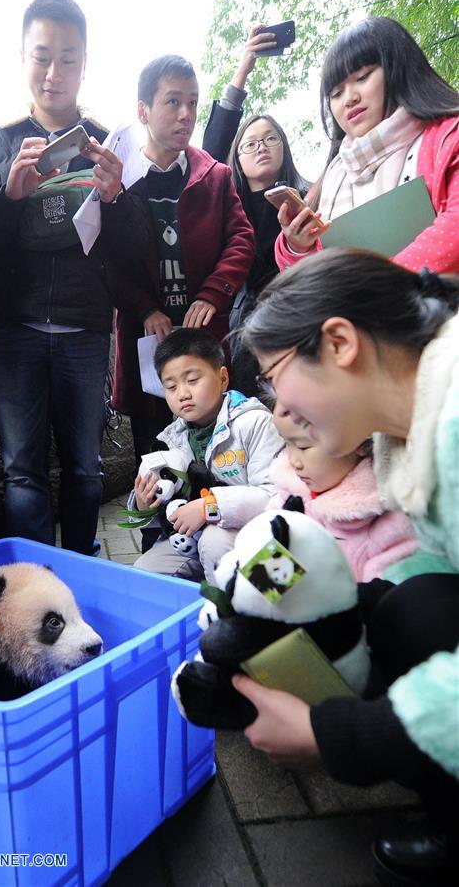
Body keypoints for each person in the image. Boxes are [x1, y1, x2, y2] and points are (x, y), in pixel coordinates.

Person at [237, 247, 459, 886]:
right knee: (411, 609)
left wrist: (337, 736)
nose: (278, 403)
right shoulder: (409, 432)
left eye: (274, 375)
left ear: (339, 343)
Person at [0, 0, 119, 556]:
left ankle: (81, 576)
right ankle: (35, 587)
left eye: (68, 58)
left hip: (86, 328)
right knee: (22, 471)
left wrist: (119, 198)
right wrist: (9, 196)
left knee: (85, 468)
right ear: (23, 57)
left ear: (85, 63)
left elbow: (129, 250)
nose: (54, 72)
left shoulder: (107, 142)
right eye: (42, 56)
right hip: (16, 327)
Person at [97, 54, 255, 467]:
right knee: (154, 457)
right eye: (173, 101)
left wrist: (213, 293)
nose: (186, 114)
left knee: (220, 454)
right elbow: (107, 258)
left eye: (192, 102)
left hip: (205, 336)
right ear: (143, 111)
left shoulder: (215, 176)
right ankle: (156, 513)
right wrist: (144, 308)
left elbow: (241, 239)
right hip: (149, 340)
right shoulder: (120, 182)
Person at [275, 16, 459, 274]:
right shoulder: (332, 178)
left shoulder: (447, 137)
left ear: (400, 68)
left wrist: (377, 286)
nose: (349, 99)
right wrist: (298, 245)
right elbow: (319, 273)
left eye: (362, 77)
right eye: (336, 93)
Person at [202, 25, 310, 395]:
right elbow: (210, 150)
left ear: (284, 147)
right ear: (236, 158)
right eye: (249, 144)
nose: (261, 147)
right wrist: (243, 69)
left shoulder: (308, 197)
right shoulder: (226, 203)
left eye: (270, 139)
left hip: (298, 325)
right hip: (242, 331)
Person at [131, 328, 281, 583]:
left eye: (192, 380)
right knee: (145, 572)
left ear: (222, 378)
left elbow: (274, 496)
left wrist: (209, 507)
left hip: (256, 535)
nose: (183, 394)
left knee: (214, 541)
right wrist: (143, 506)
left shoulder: (255, 422)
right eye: (171, 386)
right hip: (193, 539)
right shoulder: (172, 438)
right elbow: (169, 508)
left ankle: (237, 605)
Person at [267, 407, 417, 583]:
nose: (293, 461)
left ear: (359, 442)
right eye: (287, 443)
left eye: (303, 446)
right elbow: (265, 587)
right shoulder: (287, 496)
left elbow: (387, 594)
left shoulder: (389, 525)